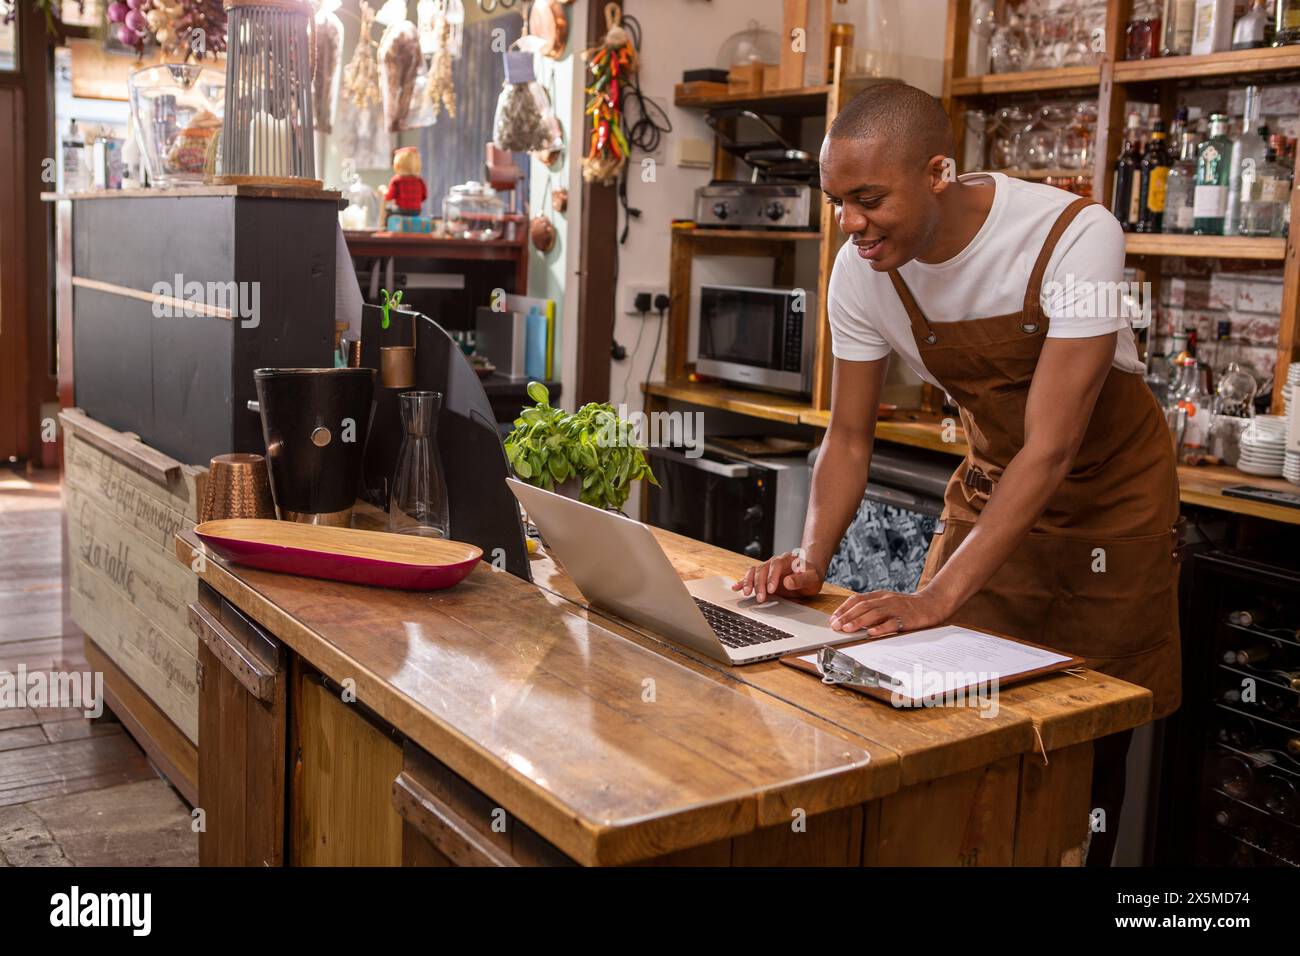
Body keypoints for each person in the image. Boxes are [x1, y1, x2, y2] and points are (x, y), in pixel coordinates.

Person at [734, 84, 1181, 866]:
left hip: (1110, 511)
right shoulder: (862, 269)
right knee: (946, 725)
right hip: (992, 491)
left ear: (938, 171)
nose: (852, 225)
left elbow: (1052, 444)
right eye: (838, 202)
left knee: (1081, 750)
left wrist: (937, 594)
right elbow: (846, 438)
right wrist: (810, 562)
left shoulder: (1077, 235)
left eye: (870, 199)